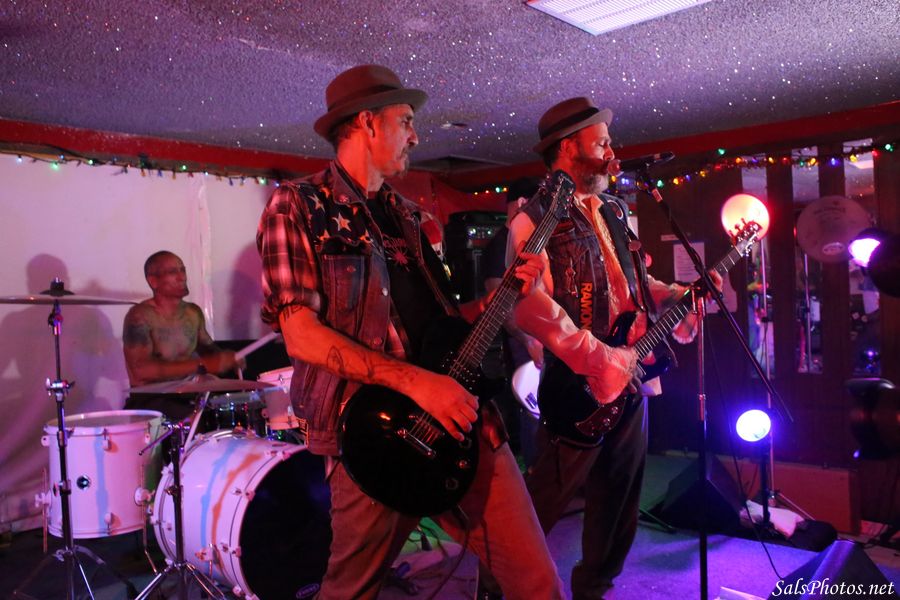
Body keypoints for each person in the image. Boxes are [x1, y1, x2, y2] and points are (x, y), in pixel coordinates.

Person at [256, 64, 564, 600]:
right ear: (366, 123)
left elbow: (444, 323)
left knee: (537, 583)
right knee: (350, 592)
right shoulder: (299, 205)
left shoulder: (408, 215)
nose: (416, 136)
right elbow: (301, 335)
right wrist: (420, 386)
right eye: (405, 121)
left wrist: (503, 296)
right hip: (373, 434)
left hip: (461, 418)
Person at [506, 97, 721, 600]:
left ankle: (595, 588)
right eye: (601, 143)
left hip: (632, 374)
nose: (611, 153)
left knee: (620, 494)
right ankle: (501, 585)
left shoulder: (615, 211)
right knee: (544, 500)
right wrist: (599, 358)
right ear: (568, 148)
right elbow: (530, 308)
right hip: (577, 383)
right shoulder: (532, 220)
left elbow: (633, 284)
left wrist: (674, 295)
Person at [122, 250, 241, 420]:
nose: (182, 277)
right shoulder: (140, 316)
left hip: (185, 395)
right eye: (173, 272)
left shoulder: (193, 312)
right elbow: (141, 370)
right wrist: (202, 365)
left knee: (229, 408)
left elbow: (208, 349)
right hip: (151, 403)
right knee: (194, 417)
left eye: (182, 270)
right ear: (153, 281)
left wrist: (228, 358)